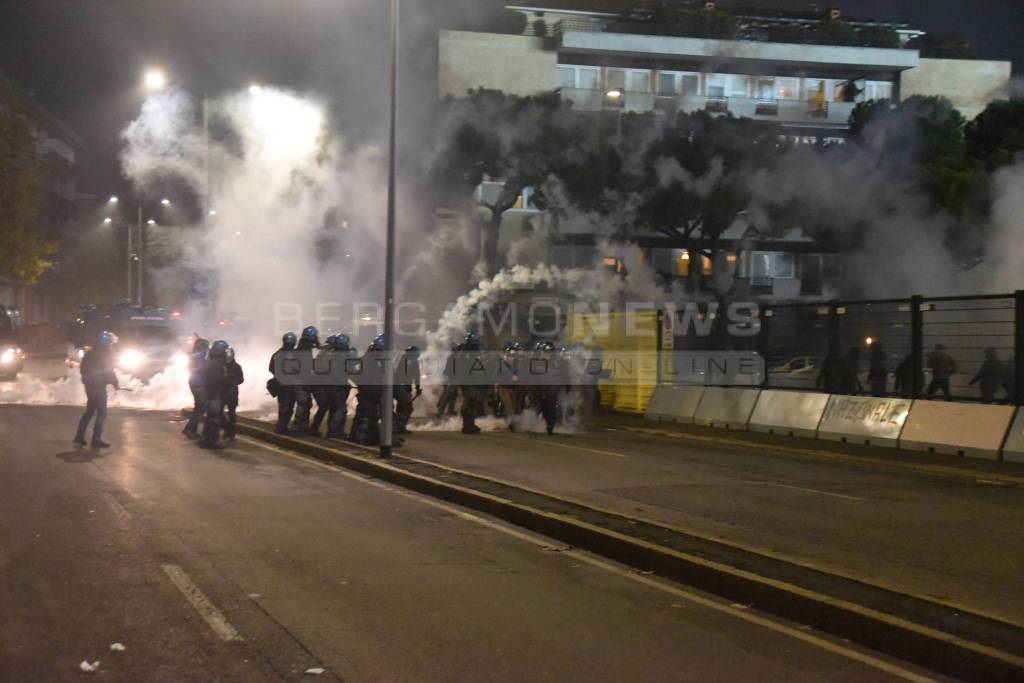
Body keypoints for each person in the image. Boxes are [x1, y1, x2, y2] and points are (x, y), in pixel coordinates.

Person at [74, 331, 119, 448]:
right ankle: (96, 439)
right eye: (110, 343)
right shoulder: (104, 355)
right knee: (102, 413)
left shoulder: (90, 354)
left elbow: (83, 370)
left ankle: (79, 437)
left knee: (89, 412)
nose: (111, 346)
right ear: (106, 343)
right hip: (98, 388)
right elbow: (109, 371)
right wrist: (115, 383)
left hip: (90, 387)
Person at [310, 334, 353, 438]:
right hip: (334, 386)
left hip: (325, 385)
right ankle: (333, 431)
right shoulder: (341, 356)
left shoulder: (327, 354)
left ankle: (322, 429)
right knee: (339, 408)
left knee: (330, 407)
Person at [199, 340, 230, 449]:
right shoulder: (216, 364)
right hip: (215, 394)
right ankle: (214, 440)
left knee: (211, 417)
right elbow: (215, 380)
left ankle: (206, 438)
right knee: (214, 418)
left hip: (213, 394)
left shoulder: (214, 362)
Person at [292, 326, 320, 434]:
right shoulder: (305, 351)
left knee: (307, 403)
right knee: (303, 403)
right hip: (301, 381)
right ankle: (297, 427)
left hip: (302, 381)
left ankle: (303, 426)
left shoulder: (302, 349)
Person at [269, 332, 298, 435]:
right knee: (288, 408)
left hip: (280, 385)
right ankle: (281, 428)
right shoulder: (296, 355)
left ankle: (281, 426)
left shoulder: (277, 354)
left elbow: (271, 369)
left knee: (283, 406)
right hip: (290, 385)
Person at [182, 337, 210, 439]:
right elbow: (204, 368)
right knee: (200, 409)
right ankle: (190, 429)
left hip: (196, 384)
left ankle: (189, 428)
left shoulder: (195, 356)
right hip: (199, 385)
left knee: (199, 408)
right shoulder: (199, 356)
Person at [459, 333, 485, 434]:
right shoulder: (468, 352)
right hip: (469, 381)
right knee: (469, 403)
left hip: (469, 381)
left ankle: (470, 424)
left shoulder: (466, 352)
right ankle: (467, 426)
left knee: (471, 403)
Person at [394, 345, 422, 435]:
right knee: (407, 407)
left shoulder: (402, 359)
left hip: (401, 386)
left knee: (401, 407)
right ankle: (399, 427)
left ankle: (399, 427)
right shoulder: (410, 360)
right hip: (402, 386)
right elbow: (416, 375)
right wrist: (417, 388)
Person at [223, 347, 244, 441]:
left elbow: (241, 379)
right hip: (224, 392)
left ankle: (230, 433)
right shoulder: (222, 365)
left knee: (231, 414)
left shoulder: (236, 367)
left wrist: (234, 380)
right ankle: (227, 431)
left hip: (231, 392)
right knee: (222, 413)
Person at [436, 344, 460, 419]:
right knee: (448, 395)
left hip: (452, 379)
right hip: (451, 379)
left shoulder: (454, 357)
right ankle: (440, 411)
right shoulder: (453, 357)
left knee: (453, 395)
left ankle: (450, 409)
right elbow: (451, 370)